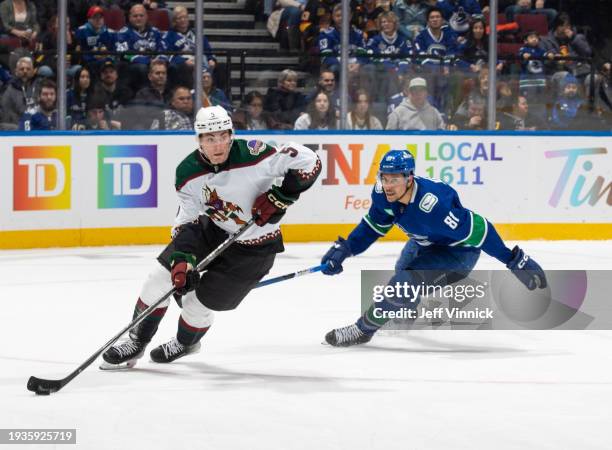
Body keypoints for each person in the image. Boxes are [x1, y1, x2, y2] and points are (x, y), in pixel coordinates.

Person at [101, 105, 321, 367]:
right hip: (212, 230)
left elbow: (310, 161)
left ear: (231, 134)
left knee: (195, 303)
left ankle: (186, 342)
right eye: (209, 139)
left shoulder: (255, 154)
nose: (218, 145)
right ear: (199, 140)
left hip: (255, 248)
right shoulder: (187, 172)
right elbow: (188, 219)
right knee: (158, 278)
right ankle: (136, 341)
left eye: (223, 136)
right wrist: (182, 259)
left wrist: (283, 195)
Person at [320, 149, 547, 346]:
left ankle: (362, 330)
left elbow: (480, 229)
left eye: (394, 180)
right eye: (384, 178)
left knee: (401, 286)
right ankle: (403, 302)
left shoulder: (435, 206)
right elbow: (373, 227)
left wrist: (512, 259)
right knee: (403, 278)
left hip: (457, 253)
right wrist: (346, 248)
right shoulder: (382, 194)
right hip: (423, 242)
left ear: (409, 178)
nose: (387, 185)